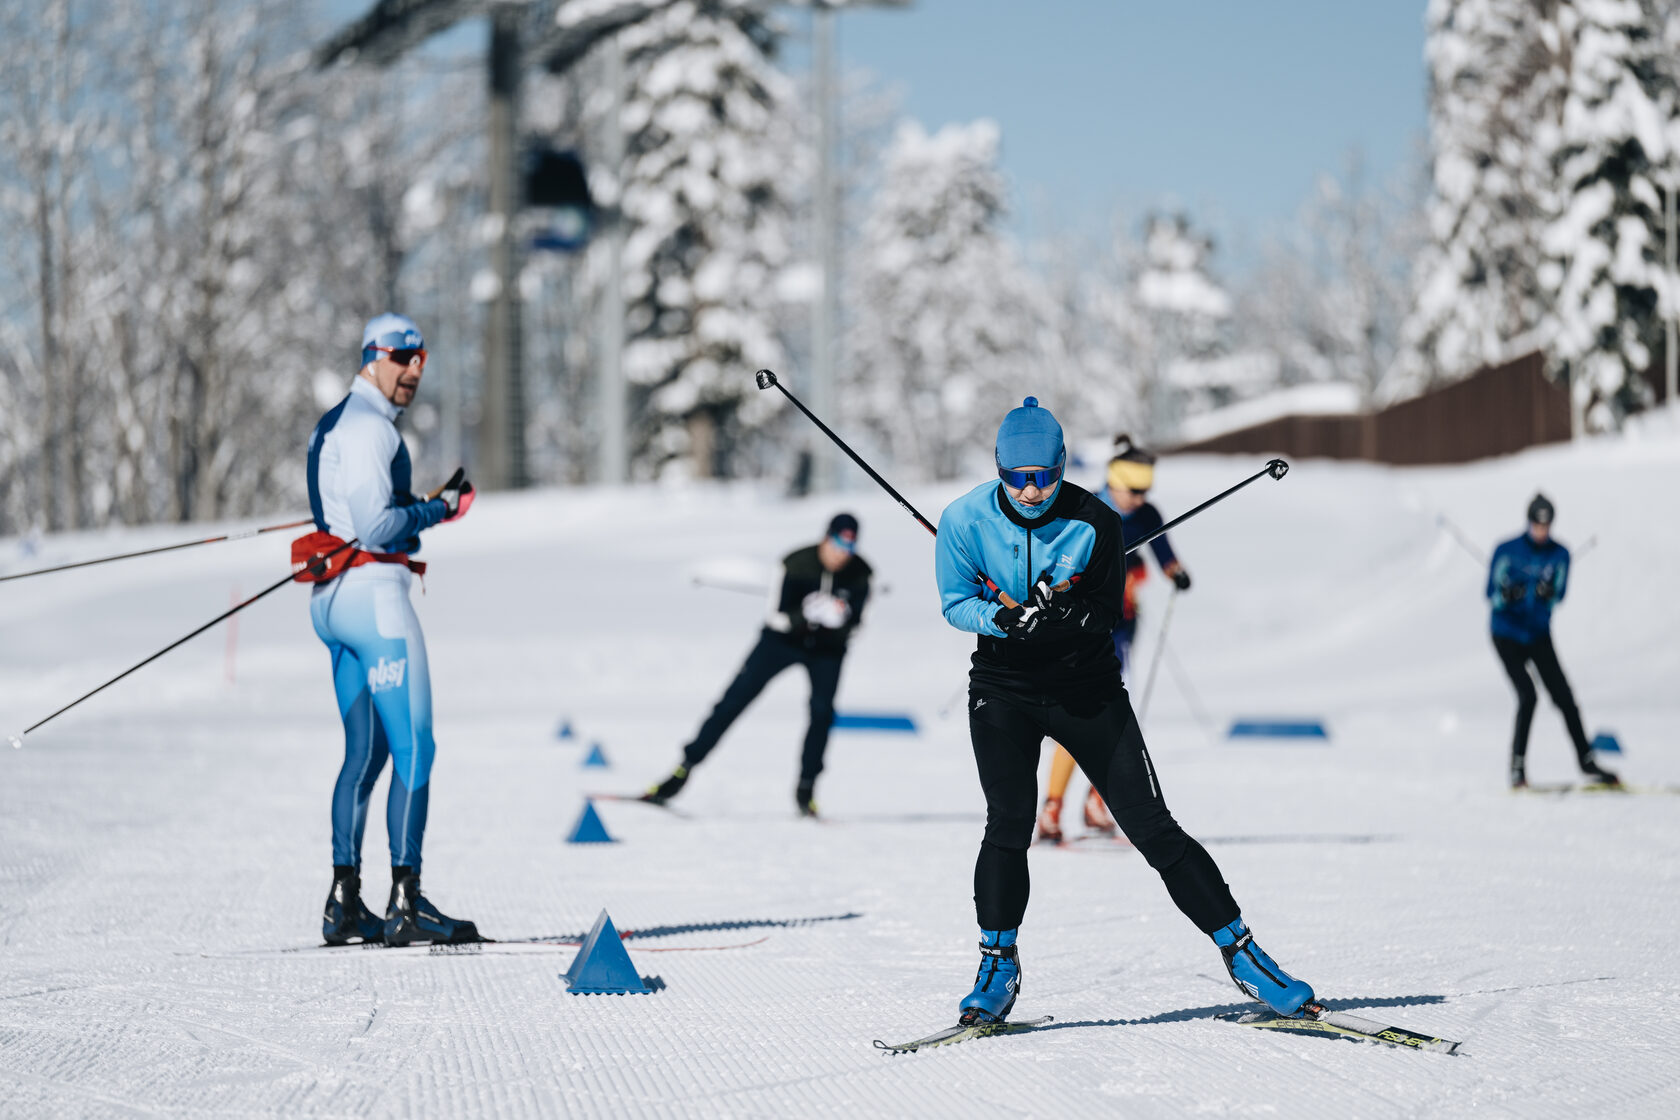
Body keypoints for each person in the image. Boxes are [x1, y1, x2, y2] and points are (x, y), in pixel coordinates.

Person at [935, 396, 1314, 1026]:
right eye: (1016, 478)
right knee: (1008, 823)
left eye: (1045, 477)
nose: (1031, 491)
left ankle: (1245, 956)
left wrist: (1070, 612)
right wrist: (1001, 616)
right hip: (1004, 688)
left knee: (1151, 826)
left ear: (1063, 466)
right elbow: (955, 604)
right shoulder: (963, 521)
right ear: (998, 468)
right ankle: (997, 965)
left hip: (1088, 688)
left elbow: (1106, 612)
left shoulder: (1097, 522)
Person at [298, 313, 478, 946]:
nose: (414, 370)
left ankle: (344, 902)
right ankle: (407, 901)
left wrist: (410, 509)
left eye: (421, 359)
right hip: (374, 601)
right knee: (415, 748)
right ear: (373, 357)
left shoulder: (335, 423)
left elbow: (351, 511)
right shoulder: (372, 428)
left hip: (331, 604)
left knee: (365, 754)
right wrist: (439, 509)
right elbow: (376, 527)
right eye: (402, 358)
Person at [643, 513, 872, 816]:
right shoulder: (794, 563)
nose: (842, 554)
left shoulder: (861, 574)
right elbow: (775, 616)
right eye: (838, 545)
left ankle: (806, 789)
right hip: (781, 642)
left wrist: (838, 618)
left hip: (827, 650)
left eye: (849, 548)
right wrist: (806, 614)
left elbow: (857, 626)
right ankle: (683, 770)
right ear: (825, 538)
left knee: (822, 713)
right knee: (733, 702)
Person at [1036, 435, 1191, 843]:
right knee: (1076, 717)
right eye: (1133, 490)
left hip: (1121, 625)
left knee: (1110, 717)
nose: (1139, 498)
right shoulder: (1085, 509)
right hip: (1079, 627)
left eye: (1145, 490)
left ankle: (1096, 801)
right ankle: (1052, 807)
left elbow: (1162, 554)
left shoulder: (1146, 514)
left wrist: (1175, 573)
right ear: (1114, 480)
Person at [1488, 493, 1618, 789]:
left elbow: (1559, 594)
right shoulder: (1507, 551)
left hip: (1537, 634)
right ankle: (1517, 768)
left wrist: (1548, 593)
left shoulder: (1560, 554)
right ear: (1529, 521)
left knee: (1564, 697)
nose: (1541, 531)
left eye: (1546, 526)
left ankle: (1586, 761)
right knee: (1528, 694)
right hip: (1506, 633)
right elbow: (1490, 593)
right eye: (1537, 524)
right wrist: (1506, 595)